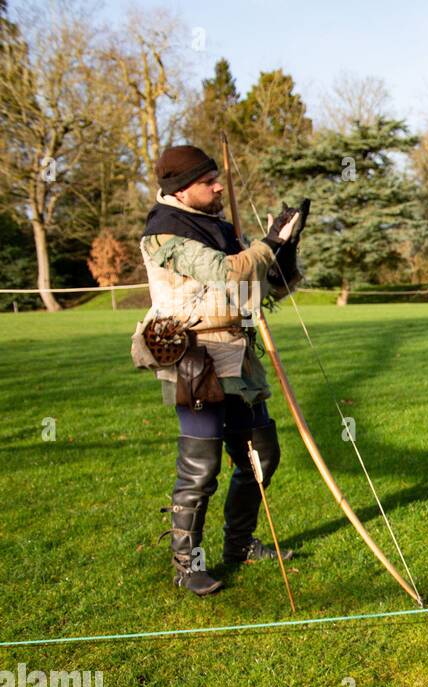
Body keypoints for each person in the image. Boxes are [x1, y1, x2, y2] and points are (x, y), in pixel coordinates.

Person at [137, 144, 305, 595]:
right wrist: (266, 245)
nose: (216, 186)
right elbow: (224, 272)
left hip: (236, 353)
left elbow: (263, 287)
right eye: (207, 181)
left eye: (216, 178)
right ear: (180, 188)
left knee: (261, 455)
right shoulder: (164, 231)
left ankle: (239, 545)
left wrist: (284, 250)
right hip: (193, 356)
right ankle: (187, 564)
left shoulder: (221, 226)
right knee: (201, 467)